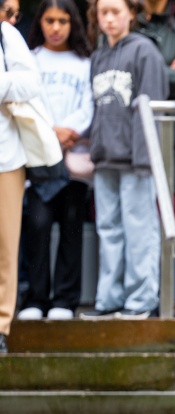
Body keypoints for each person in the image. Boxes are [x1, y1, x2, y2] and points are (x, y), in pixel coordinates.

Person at [80, 0, 168, 319]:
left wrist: (145, 159)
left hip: (136, 160)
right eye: (103, 12)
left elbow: (150, 109)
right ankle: (109, 299)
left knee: (139, 228)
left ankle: (141, 300)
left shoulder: (145, 51)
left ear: (132, 13)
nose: (109, 18)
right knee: (109, 228)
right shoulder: (98, 56)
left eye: (116, 11)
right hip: (105, 158)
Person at [17, 0, 93, 321]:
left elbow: (90, 104)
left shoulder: (86, 62)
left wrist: (69, 131)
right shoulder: (29, 60)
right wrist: (49, 134)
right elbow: (25, 102)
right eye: (50, 20)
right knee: (37, 227)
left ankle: (65, 299)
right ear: (40, 23)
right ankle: (35, 298)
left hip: (74, 159)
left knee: (71, 229)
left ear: (73, 23)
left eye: (63, 20)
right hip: (37, 160)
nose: (56, 27)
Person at [0, 0, 42, 353]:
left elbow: (30, 83)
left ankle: (1, 325)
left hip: (5, 157)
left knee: (5, 245)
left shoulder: (7, 35)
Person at [136, 0, 175, 226]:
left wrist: (148, 70)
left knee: (167, 202)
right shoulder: (126, 24)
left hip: (170, 129)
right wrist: (167, 70)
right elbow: (127, 75)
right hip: (131, 128)